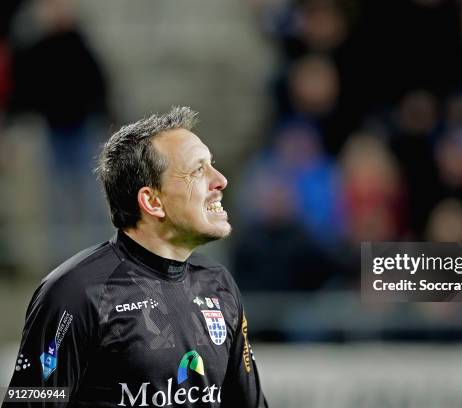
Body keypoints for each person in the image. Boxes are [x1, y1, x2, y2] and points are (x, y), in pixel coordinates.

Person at [2, 107, 268, 407]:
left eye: (212, 165)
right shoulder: (76, 292)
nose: (220, 180)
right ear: (152, 202)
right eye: (198, 170)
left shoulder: (218, 286)